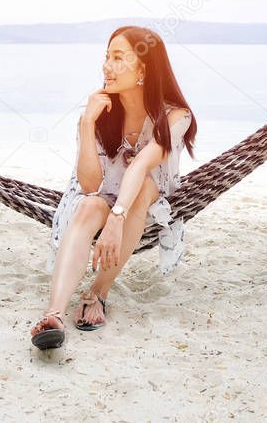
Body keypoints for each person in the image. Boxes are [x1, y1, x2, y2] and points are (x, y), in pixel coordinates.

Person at [30, 26, 196, 350]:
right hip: (104, 195)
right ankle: (54, 314)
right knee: (88, 205)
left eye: (118, 58)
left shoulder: (175, 117)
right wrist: (87, 123)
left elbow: (140, 165)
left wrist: (117, 217)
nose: (107, 66)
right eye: (106, 57)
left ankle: (98, 293)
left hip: (145, 204)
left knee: (144, 187)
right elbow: (91, 184)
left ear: (143, 70)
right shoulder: (100, 112)